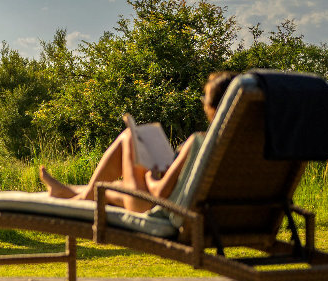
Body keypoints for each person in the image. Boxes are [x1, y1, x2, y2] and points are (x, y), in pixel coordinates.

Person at [39, 71, 239, 213]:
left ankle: (81, 199)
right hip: (206, 214)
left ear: (213, 107)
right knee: (111, 188)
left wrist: (153, 177)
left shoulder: (199, 142)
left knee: (129, 137)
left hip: (162, 210)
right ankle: (65, 192)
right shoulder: (247, 149)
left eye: (205, 98)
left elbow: (160, 193)